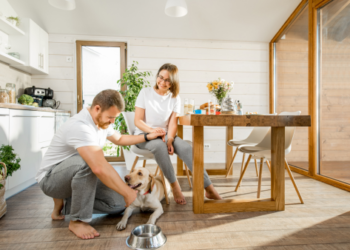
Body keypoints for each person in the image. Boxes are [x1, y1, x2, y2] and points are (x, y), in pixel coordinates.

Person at [35, 89, 165, 240]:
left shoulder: (101, 122)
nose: (112, 122)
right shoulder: (80, 126)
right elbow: (98, 166)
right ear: (97, 108)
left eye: (114, 118)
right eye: (111, 117)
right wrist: (127, 191)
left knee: (118, 204)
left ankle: (67, 204)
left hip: (76, 179)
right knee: (90, 163)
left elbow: (120, 139)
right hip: (51, 179)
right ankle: (77, 220)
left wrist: (148, 135)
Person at [134, 63, 222, 205]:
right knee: (159, 146)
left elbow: (173, 123)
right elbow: (137, 121)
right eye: (160, 77)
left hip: (165, 135)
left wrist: (169, 139)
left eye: (167, 80)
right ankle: (175, 186)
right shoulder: (145, 93)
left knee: (187, 148)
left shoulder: (175, 98)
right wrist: (153, 131)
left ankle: (209, 188)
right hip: (144, 135)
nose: (162, 82)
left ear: (173, 82)